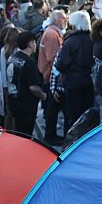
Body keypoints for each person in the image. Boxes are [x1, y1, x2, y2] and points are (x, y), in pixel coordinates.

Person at [56, 11, 95, 132]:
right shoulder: (93, 40)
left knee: (73, 116)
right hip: (90, 82)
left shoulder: (70, 42)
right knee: (88, 115)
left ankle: (71, 143)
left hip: (73, 83)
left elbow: (62, 64)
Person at [7, 31, 47, 136]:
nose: (35, 46)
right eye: (34, 43)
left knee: (17, 132)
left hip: (13, 101)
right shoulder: (29, 62)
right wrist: (43, 95)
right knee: (25, 134)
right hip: (26, 106)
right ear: (30, 44)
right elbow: (33, 88)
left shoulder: (13, 57)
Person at [40, 10, 68, 144]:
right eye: (64, 19)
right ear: (56, 20)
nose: (66, 21)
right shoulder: (52, 34)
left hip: (48, 75)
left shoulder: (52, 32)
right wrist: (55, 82)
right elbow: (53, 58)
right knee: (52, 107)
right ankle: (50, 135)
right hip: (50, 76)